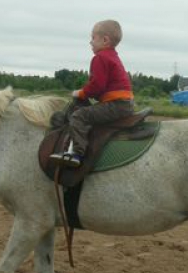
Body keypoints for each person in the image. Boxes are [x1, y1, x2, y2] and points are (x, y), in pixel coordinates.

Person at [49, 19, 134, 168]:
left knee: (78, 116)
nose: (90, 42)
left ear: (105, 40)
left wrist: (79, 93)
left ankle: (77, 153)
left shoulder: (100, 58)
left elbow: (96, 87)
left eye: (93, 38)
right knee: (87, 111)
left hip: (116, 105)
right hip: (124, 104)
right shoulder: (112, 56)